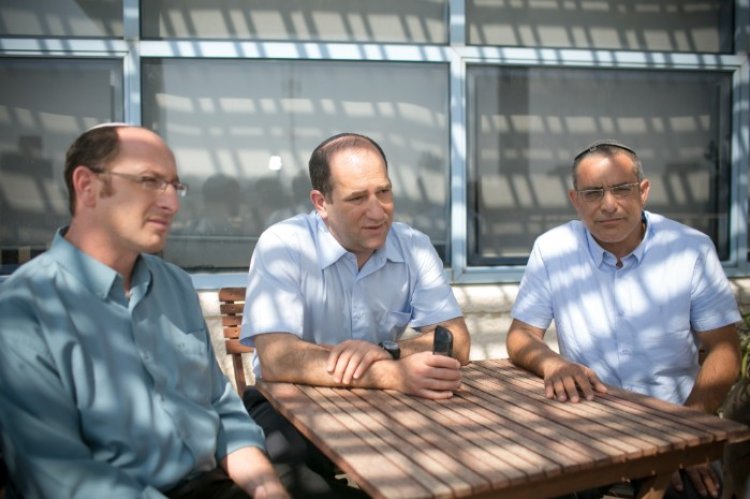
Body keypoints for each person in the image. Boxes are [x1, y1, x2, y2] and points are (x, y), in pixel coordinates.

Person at [0, 124, 288, 499]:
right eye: (150, 181)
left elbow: (220, 407)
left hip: (211, 482)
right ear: (87, 186)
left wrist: (267, 489)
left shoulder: (174, 285)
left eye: (175, 186)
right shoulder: (23, 311)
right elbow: (62, 477)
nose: (172, 204)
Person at [506, 139, 742, 499]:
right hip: (586, 429)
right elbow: (521, 334)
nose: (608, 205)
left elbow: (725, 351)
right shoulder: (553, 249)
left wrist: (689, 432)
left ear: (643, 192)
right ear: (575, 200)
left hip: (674, 420)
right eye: (593, 193)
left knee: (694, 491)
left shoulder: (690, 249)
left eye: (621, 189)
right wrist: (553, 364)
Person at [240, 132, 471, 496]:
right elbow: (277, 358)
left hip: (385, 402)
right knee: (290, 477)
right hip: (289, 402)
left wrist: (386, 350)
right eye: (357, 198)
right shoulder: (283, 245)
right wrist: (392, 374)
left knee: (463, 459)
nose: (378, 212)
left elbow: (457, 338)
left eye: (384, 192)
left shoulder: (414, 246)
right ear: (321, 202)